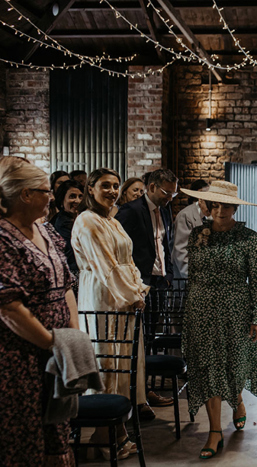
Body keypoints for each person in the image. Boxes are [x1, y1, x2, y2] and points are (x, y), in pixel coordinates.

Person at [180, 181, 257, 460]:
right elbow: (192, 275)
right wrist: (191, 310)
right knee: (207, 367)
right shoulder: (196, 234)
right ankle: (214, 430)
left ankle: (238, 400)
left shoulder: (248, 237)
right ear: (207, 206)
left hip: (235, 308)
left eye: (225, 205)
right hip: (201, 308)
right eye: (214, 204)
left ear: (235, 207)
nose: (219, 210)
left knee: (233, 361)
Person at [0, 157, 79, 466]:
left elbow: (66, 287)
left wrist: (71, 337)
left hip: (57, 353)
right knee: (25, 434)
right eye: (46, 191)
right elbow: (9, 307)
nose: (52, 197)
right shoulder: (4, 238)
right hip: (21, 358)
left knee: (57, 429)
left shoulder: (46, 232)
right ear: (25, 195)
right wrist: (52, 343)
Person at [72, 168, 150, 460]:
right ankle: (102, 436)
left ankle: (118, 431)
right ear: (91, 188)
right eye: (105, 186)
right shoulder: (87, 221)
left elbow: (128, 261)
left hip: (125, 300)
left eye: (116, 186)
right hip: (102, 297)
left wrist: (138, 288)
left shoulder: (112, 221)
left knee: (123, 363)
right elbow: (106, 266)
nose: (112, 191)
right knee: (105, 360)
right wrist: (133, 294)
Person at [115, 168, 177, 414]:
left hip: (160, 281)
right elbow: (121, 250)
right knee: (138, 339)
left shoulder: (166, 209)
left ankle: (146, 390)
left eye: (173, 193)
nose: (170, 198)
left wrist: (169, 273)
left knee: (150, 335)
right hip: (140, 282)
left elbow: (164, 244)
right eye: (166, 192)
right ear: (151, 187)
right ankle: (138, 394)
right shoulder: (130, 211)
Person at [172, 179, 210, 280]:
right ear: (200, 200)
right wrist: (192, 277)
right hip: (187, 277)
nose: (212, 209)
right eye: (209, 204)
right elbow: (181, 251)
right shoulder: (186, 215)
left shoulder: (210, 216)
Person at [52, 179, 84, 286]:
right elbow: (71, 254)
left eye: (80, 196)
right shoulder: (62, 223)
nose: (77, 201)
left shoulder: (80, 219)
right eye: (72, 196)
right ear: (62, 201)